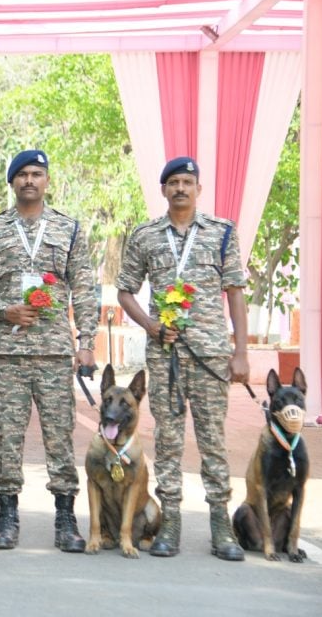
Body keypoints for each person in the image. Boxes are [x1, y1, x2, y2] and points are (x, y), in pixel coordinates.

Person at [116, 156, 249, 561]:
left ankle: (220, 523)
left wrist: (240, 351)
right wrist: (152, 326)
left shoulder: (223, 233)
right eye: (173, 182)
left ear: (198, 189)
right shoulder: (145, 236)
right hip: (166, 355)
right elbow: (125, 291)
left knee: (213, 440)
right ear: (163, 190)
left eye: (187, 182)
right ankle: (170, 520)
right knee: (168, 440)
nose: (180, 189)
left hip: (210, 355)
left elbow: (236, 292)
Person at [0, 149, 97, 551]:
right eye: (21, 175)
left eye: (36, 173)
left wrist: (86, 342)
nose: (29, 181)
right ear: (12, 182)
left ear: (47, 181)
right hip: (8, 354)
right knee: (8, 435)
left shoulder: (69, 230)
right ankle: (7, 515)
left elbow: (86, 287)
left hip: (55, 353)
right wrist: (3, 310)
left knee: (59, 436)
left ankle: (65, 518)